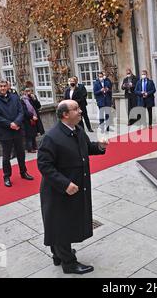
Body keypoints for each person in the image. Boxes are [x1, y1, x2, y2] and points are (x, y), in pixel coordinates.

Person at [37, 100, 108, 274]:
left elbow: (86, 148)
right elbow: (44, 165)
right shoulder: (52, 137)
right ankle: (68, 263)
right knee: (61, 224)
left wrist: (99, 147)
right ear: (65, 115)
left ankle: (58, 254)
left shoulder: (77, 130)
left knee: (62, 223)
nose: (80, 111)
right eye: (75, 109)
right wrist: (64, 184)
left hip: (74, 187)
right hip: (59, 190)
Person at [0, 79, 34, 187]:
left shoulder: (15, 97)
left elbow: (21, 111)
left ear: (8, 87)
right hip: (5, 131)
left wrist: (17, 122)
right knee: (6, 155)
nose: (3, 88)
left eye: (5, 86)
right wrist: (10, 124)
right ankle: (6, 176)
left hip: (18, 129)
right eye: (1, 86)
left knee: (21, 153)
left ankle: (23, 172)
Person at [21, 87, 45, 153]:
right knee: (29, 134)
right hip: (27, 119)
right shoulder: (22, 100)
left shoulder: (32, 98)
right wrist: (31, 116)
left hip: (35, 118)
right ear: (23, 92)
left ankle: (35, 146)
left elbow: (38, 106)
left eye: (29, 90)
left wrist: (34, 99)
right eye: (26, 91)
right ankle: (30, 148)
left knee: (34, 133)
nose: (28, 92)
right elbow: (24, 111)